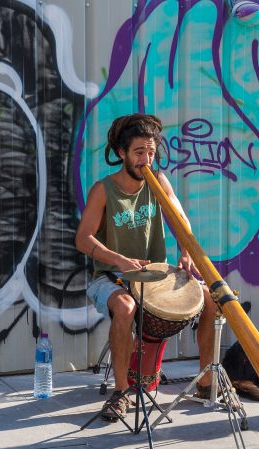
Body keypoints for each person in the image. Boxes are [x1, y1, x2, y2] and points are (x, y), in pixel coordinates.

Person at [75, 113, 216, 421]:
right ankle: (121, 391)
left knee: (210, 299)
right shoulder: (104, 190)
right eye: (139, 152)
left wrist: (186, 252)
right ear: (122, 153)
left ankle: (206, 386)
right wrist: (119, 260)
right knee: (125, 307)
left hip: (154, 276)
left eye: (151, 153)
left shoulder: (158, 181)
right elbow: (83, 240)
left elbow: (181, 221)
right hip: (109, 277)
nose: (146, 160)